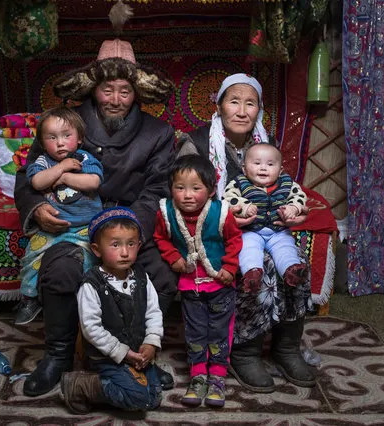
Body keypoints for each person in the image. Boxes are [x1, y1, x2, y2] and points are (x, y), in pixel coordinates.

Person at [14, 38, 177, 397]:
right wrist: (38, 208)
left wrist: (124, 231)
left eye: (124, 91)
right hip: (74, 221)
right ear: (93, 88)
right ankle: (57, 356)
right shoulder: (64, 124)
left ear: (137, 93)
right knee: (61, 270)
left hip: (130, 223)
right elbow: (29, 176)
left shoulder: (159, 133)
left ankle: (138, 354)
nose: (115, 100)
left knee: (161, 275)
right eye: (107, 90)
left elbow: (156, 190)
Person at [177, 73, 316, 392]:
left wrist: (293, 212)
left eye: (249, 103)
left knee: (293, 262)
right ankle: (245, 350)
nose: (241, 110)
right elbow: (181, 200)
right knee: (260, 266)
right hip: (206, 230)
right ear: (220, 106)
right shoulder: (195, 143)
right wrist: (223, 219)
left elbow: (284, 189)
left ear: (259, 110)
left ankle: (286, 349)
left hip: (262, 228)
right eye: (234, 101)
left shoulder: (265, 147)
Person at [154, 154, 242, 408]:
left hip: (220, 284)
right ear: (171, 189)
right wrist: (174, 260)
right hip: (190, 285)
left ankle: (218, 376)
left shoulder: (220, 212)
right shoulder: (167, 212)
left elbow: (235, 240)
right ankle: (198, 375)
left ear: (212, 190)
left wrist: (229, 267)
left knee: (218, 331)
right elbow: (161, 239)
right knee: (194, 330)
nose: (187, 195)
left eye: (196, 188)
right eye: (180, 188)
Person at [61, 208, 163, 413]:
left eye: (131, 244)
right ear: (97, 250)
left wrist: (151, 341)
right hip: (107, 356)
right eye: (115, 245)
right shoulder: (92, 284)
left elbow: (153, 311)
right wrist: (122, 353)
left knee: (153, 398)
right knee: (138, 398)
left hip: (136, 353)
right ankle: (80, 385)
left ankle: (133, 378)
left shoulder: (141, 277)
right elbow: (91, 328)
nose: (125, 252)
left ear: (139, 246)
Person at [15, 107, 104, 325]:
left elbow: (93, 182)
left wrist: (63, 178)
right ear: (43, 143)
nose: (60, 142)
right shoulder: (42, 162)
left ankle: (91, 300)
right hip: (52, 228)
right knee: (31, 258)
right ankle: (29, 298)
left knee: (91, 260)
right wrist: (62, 167)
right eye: (52, 138)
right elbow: (37, 182)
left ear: (80, 138)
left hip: (87, 226)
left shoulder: (85, 157)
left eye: (67, 136)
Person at [223, 143, 308, 291]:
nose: (263, 168)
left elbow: (299, 197)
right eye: (256, 163)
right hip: (251, 231)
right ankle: (252, 274)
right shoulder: (239, 183)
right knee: (248, 248)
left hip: (279, 231)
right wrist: (245, 207)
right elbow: (228, 199)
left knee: (286, 248)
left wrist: (293, 208)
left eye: (270, 164)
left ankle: (291, 271)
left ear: (280, 170)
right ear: (244, 168)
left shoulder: (287, 183)